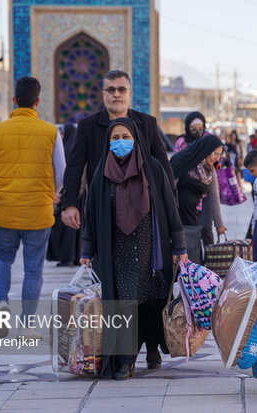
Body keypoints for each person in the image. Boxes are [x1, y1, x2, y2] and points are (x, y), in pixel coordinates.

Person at [80, 117, 187, 380]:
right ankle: (125, 360)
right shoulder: (102, 173)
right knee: (124, 303)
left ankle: (152, 350)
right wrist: (86, 249)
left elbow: (170, 208)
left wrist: (179, 245)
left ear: (136, 139)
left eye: (125, 137)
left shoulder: (152, 168)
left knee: (151, 301)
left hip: (151, 248)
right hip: (116, 251)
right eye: (114, 138)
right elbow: (91, 213)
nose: (120, 143)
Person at [0, 76, 65, 339]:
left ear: (14, 100)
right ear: (38, 102)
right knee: (33, 269)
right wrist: (52, 195)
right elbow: (61, 173)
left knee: (2, 259)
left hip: (5, 210)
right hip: (38, 212)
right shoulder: (51, 132)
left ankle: (2, 302)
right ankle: (27, 325)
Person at [61, 70, 175, 231]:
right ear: (103, 95)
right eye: (111, 90)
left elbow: (163, 167)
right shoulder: (88, 126)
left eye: (122, 90)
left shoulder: (147, 124)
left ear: (129, 94)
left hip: (143, 208)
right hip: (101, 207)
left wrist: (171, 203)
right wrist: (70, 204)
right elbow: (74, 167)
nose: (116, 94)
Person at [170, 135, 225, 229]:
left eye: (219, 155)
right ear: (206, 150)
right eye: (215, 154)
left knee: (194, 238)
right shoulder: (182, 161)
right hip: (176, 215)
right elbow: (170, 190)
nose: (217, 159)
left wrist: (219, 225)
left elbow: (214, 196)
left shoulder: (209, 170)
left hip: (193, 213)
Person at [47, 123, 81, 266]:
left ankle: (67, 257)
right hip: (76, 196)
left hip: (65, 196)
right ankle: (74, 256)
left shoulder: (66, 152)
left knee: (66, 229)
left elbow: (63, 175)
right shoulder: (75, 150)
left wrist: (58, 194)